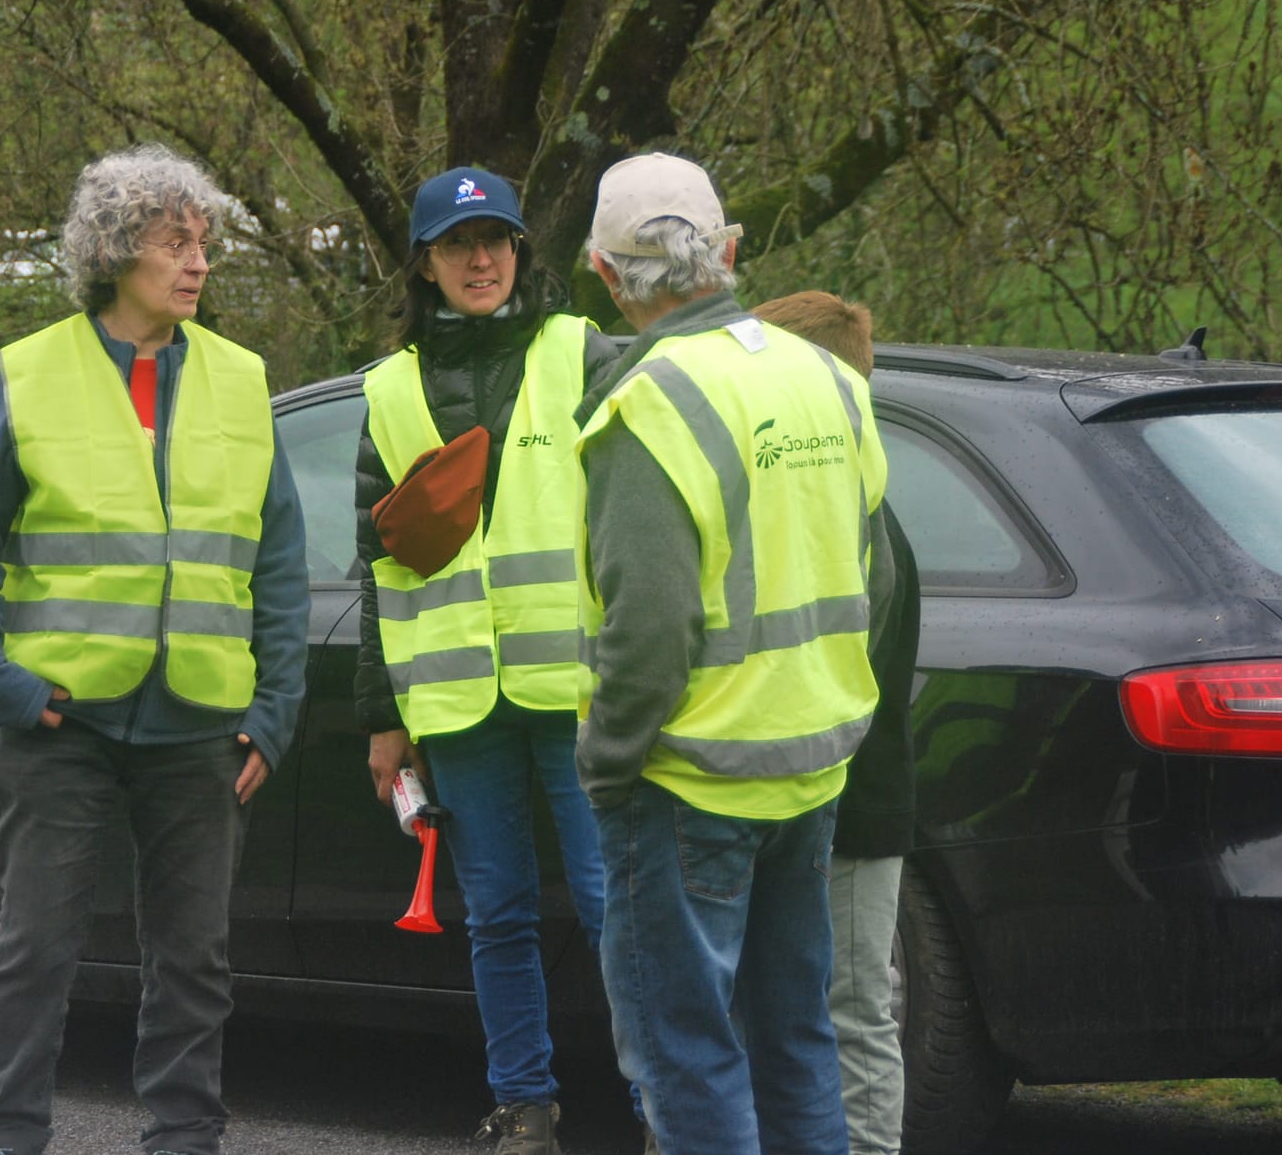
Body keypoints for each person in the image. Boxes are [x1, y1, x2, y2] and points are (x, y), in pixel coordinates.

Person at [0, 142, 309, 1155]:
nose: (196, 262)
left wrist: (275, 711)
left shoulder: (241, 380)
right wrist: (1, 681)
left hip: (201, 723)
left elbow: (278, 559)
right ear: (112, 251)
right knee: (32, 949)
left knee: (193, 957)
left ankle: (185, 1138)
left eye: (203, 243)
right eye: (172, 242)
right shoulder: (31, 372)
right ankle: (6, 1134)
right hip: (61, 717)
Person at [574, 153, 893, 1155]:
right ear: (731, 250)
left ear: (601, 272)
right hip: (809, 768)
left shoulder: (648, 403)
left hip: (687, 780)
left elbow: (648, 626)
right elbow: (872, 575)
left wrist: (606, 758)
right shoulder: (825, 379)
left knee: (687, 1053)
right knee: (796, 1038)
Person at [352, 166, 622, 1155]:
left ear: (519, 250)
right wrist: (382, 714)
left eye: (496, 239)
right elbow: (373, 556)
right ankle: (522, 1106)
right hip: (456, 698)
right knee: (498, 915)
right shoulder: (386, 388)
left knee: (612, 909)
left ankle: (660, 1102)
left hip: (576, 692)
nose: (479, 257)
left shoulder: (578, 352)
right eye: (458, 242)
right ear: (424, 262)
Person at [750, 291, 922, 1155]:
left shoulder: (860, 510)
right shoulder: (832, 495)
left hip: (851, 806)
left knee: (854, 1007)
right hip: (804, 795)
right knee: (805, 1009)